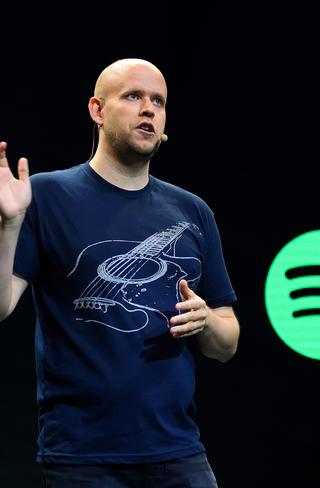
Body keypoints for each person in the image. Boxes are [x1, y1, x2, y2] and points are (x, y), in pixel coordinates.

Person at [0, 58, 240, 487]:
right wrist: (11, 224)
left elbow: (227, 343)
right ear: (97, 110)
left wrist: (206, 322)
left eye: (158, 101)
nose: (148, 108)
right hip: (83, 458)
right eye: (133, 96)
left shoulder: (192, 212)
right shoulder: (47, 196)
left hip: (179, 451)